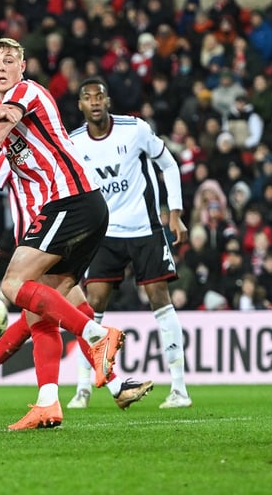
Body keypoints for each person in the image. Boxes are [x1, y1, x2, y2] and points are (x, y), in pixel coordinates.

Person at [0, 37, 125, 430]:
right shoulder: (4, 106)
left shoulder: (24, 92)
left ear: (23, 65)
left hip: (69, 201)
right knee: (39, 311)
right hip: (79, 206)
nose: (1, 67)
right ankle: (48, 403)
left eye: (9, 60)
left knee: (13, 285)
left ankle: (96, 335)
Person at [0, 150, 154, 414]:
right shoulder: (11, 153)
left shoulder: (51, 151)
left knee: (58, 315)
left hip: (62, 234)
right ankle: (112, 385)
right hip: (35, 243)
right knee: (48, 319)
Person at [66, 77, 192, 409]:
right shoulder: (74, 142)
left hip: (144, 228)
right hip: (103, 233)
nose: (94, 101)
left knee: (160, 300)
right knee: (91, 307)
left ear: (108, 101)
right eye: (87, 97)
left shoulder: (134, 129)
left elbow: (169, 163)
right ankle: (82, 388)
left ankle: (179, 390)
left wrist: (175, 212)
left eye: (100, 96)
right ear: (80, 105)